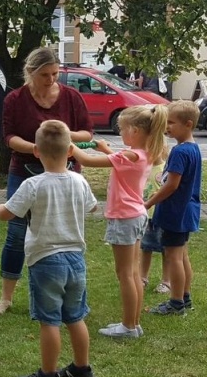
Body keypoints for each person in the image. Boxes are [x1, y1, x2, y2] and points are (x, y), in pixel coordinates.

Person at [0, 120, 98, 377]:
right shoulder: (79, 180)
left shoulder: (32, 184)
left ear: (36, 151)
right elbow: (93, 208)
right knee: (75, 316)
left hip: (45, 260)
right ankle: (82, 369)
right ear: (71, 149)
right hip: (76, 259)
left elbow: (8, 213)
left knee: (49, 320)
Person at [0, 47, 92, 317]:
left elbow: (86, 132)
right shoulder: (15, 99)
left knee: (68, 232)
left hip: (65, 169)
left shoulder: (71, 97)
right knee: (16, 234)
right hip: (24, 169)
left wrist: (60, 135)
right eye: (45, 74)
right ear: (31, 73)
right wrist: (37, 146)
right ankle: (6, 297)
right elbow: (8, 136)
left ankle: (74, 295)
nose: (51, 79)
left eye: (56, 74)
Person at [70, 105, 167, 338]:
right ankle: (133, 323)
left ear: (134, 130)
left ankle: (128, 327)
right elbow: (118, 157)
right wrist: (104, 148)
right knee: (133, 273)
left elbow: (88, 161)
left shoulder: (129, 155)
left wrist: (70, 145)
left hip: (124, 217)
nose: (120, 133)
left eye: (122, 129)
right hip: (136, 215)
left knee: (125, 274)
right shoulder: (146, 152)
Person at [143, 100, 201, 316]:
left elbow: (172, 184)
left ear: (188, 124)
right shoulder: (193, 149)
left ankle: (176, 303)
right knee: (182, 256)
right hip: (187, 211)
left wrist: (149, 202)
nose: (167, 126)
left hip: (175, 212)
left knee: (174, 257)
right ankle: (184, 296)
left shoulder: (179, 152)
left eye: (171, 123)